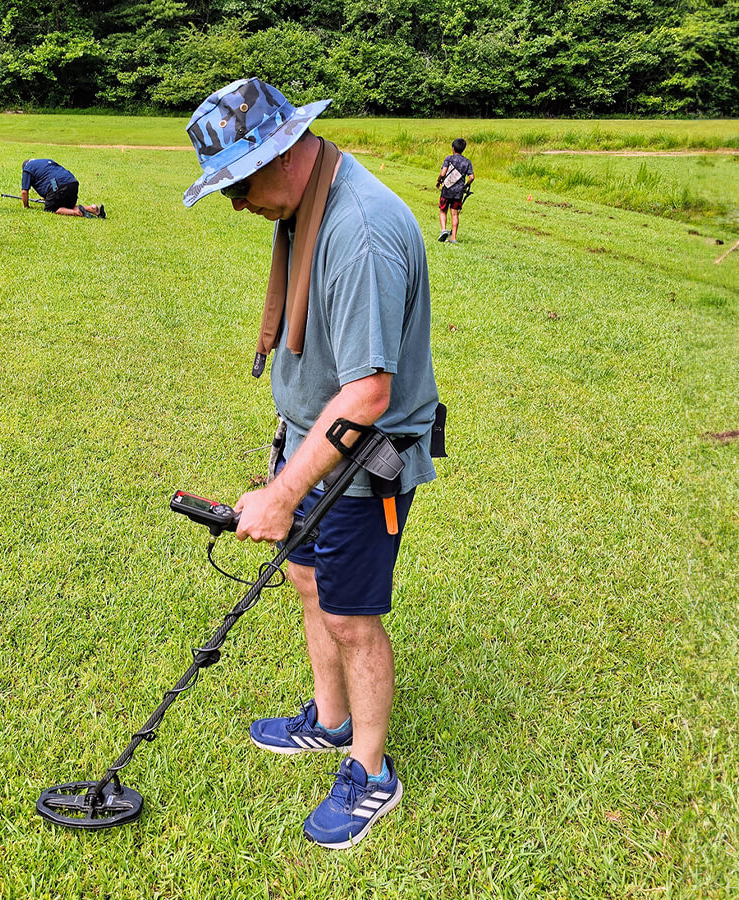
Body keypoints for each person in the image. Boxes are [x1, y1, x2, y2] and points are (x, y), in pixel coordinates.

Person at [183, 77, 439, 850]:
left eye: (239, 182)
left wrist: (284, 492)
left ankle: (371, 772)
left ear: (287, 152)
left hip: (363, 462)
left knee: (351, 616)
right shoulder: (307, 201)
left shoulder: (357, 231)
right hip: (311, 439)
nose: (235, 204)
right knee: (308, 582)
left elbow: (367, 395)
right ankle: (330, 724)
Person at [20, 159, 105, 218]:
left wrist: (26, 206)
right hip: (73, 183)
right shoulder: (47, 161)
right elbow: (49, 176)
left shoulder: (28, 169)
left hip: (59, 186)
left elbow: (24, 192)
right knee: (66, 206)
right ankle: (92, 208)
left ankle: (77, 213)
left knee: (51, 208)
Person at [436, 138, 475, 243]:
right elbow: (471, 177)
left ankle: (443, 230)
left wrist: (438, 181)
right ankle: (453, 238)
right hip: (458, 192)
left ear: (453, 148)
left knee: (443, 210)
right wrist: (466, 186)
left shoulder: (448, 159)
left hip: (447, 189)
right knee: (454, 214)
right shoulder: (467, 162)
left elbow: (443, 173)